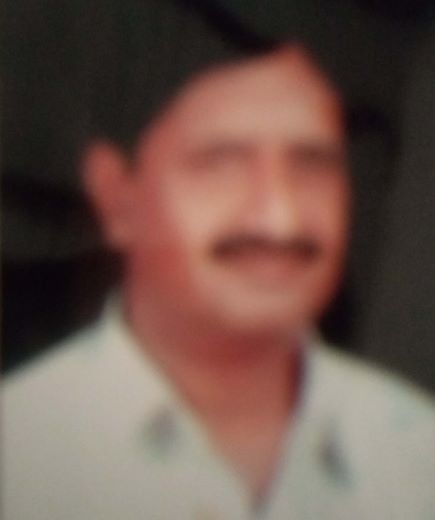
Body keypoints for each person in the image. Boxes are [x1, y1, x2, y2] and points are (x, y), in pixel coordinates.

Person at [3, 35, 435, 520]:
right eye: (223, 163)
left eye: (311, 163)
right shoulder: (20, 458)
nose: (280, 218)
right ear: (117, 197)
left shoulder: (416, 458)